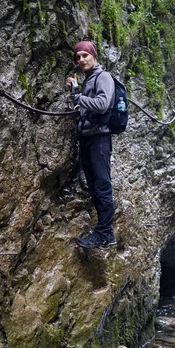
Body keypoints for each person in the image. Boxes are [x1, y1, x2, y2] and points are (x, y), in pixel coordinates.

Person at [66, 41, 116, 249]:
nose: (81, 60)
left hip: (100, 140)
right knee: (95, 187)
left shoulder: (103, 77)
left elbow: (103, 104)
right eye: (78, 57)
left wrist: (79, 96)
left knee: (102, 187)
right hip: (87, 139)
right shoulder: (88, 81)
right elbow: (86, 106)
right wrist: (77, 92)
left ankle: (104, 234)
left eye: (85, 55)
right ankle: (106, 234)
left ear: (94, 56)